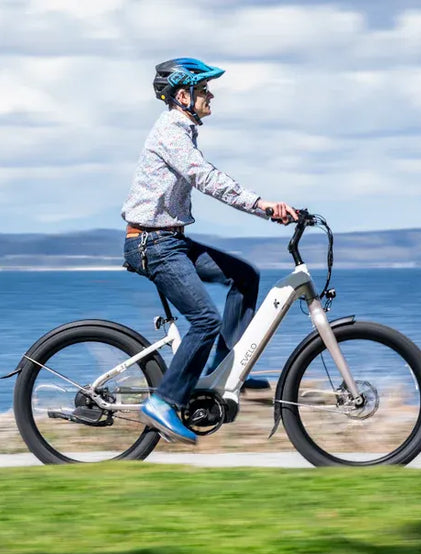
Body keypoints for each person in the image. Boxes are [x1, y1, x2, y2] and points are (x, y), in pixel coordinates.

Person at [122, 57, 297, 445]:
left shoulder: (183, 129)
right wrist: (263, 205)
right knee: (205, 319)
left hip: (170, 240)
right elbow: (205, 177)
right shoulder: (170, 131)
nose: (210, 95)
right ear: (182, 96)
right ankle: (163, 402)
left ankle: (223, 368)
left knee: (244, 275)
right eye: (204, 90)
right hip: (152, 244)